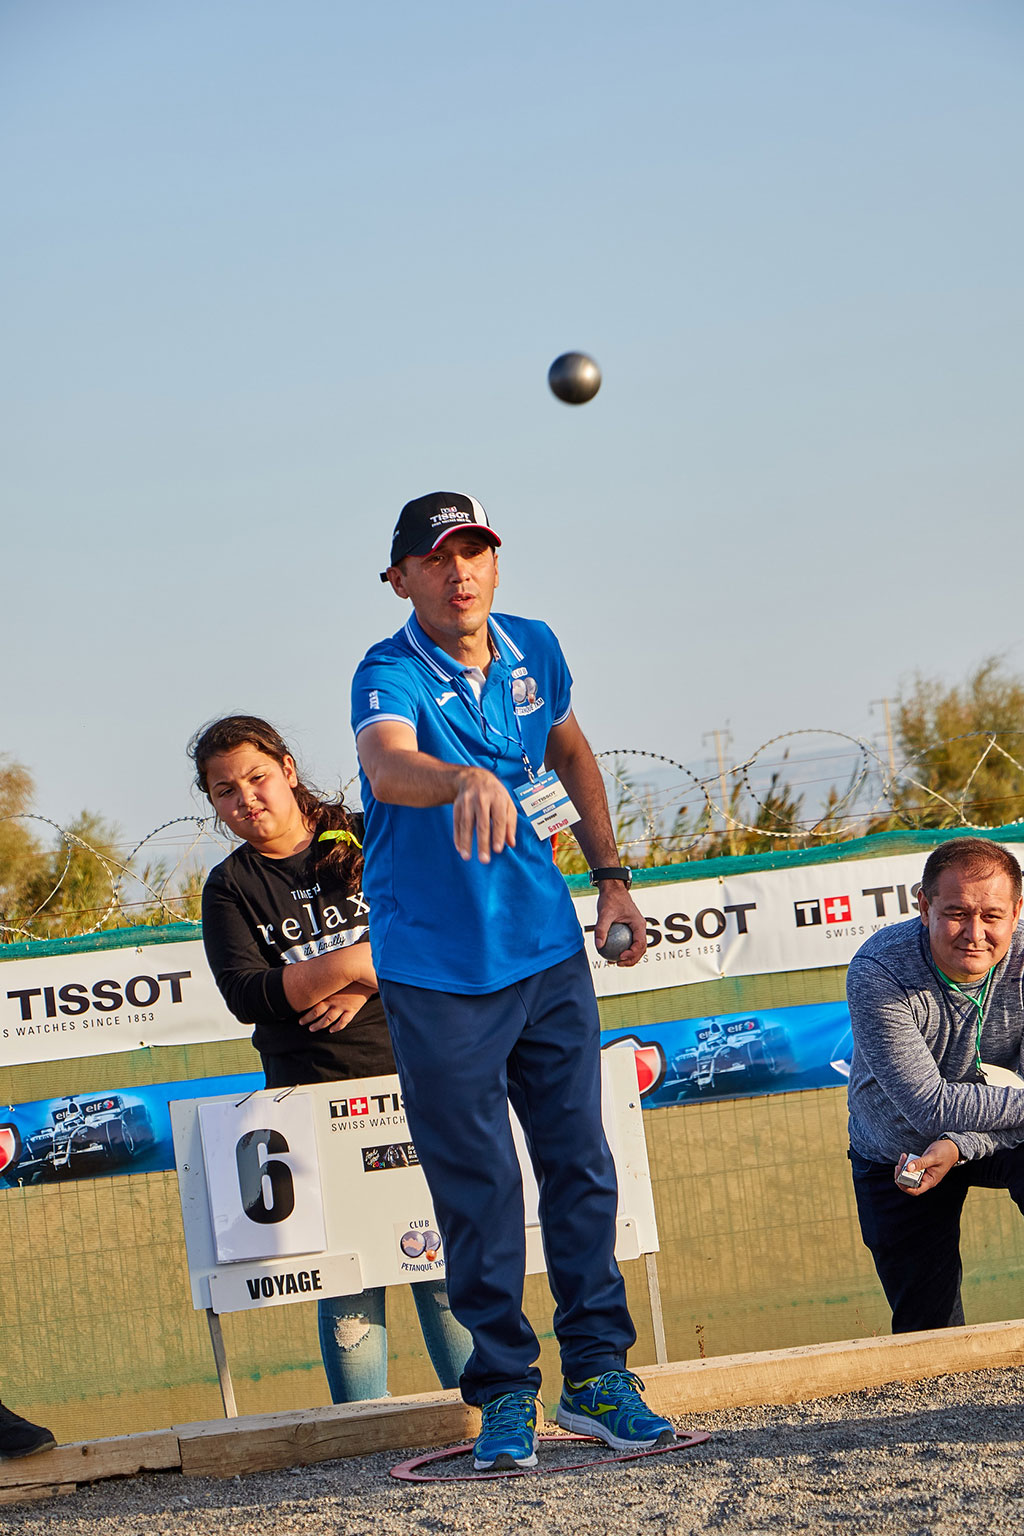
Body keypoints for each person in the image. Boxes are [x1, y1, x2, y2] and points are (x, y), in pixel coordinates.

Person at [351, 491, 675, 1471]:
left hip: (547, 954)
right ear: (400, 577)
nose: (462, 573)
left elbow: (570, 752)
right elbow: (385, 763)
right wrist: (461, 779)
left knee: (580, 1164)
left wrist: (610, 877)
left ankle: (598, 1378)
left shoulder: (533, 645)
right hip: (439, 972)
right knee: (480, 1186)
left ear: (495, 564)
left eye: (477, 552)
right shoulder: (388, 670)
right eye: (441, 557)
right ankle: (501, 1390)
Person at [189, 715, 470, 1402]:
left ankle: (484, 1411)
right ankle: (362, 1438)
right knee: (350, 1281)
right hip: (313, 1098)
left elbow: (443, 930)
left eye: (256, 778)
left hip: (412, 1075)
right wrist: (352, 964)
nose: (246, 799)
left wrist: (354, 973)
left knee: (439, 1268)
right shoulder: (230, 888)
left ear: (288, 769)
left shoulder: (370, 832)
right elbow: (249, 994)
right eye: (225, 791)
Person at [846, 836, 1024, 1333]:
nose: (975, 932)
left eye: (991, 915)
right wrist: (948, 1136)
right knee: (928, 1330)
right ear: (923, 907)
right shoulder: (877, 970)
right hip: (899, 1154)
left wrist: (963, 1145)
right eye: (956, 912)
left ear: (1016, 911)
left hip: (1004, 1134)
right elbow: (930, 1108)